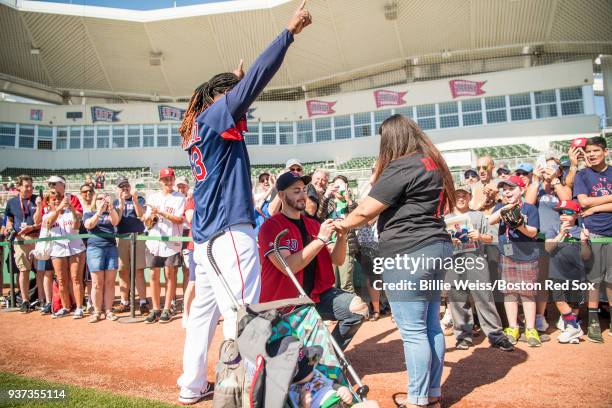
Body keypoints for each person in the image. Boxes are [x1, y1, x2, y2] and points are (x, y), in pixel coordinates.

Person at [177, 3, 312, 402]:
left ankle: (192, 385)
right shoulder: (217, 116)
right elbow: (256, 78)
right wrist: (289, 31)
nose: (241, 101)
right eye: (231, 94)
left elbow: (233, 95)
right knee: (243, 312)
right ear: (219, 98)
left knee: (203, 315)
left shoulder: (198, 126)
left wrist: (229, 85)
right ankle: (241, 390)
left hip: (205, 241)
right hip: (229, 234)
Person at [335, 114, 456, 408]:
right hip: (436, 246)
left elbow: (366, 211)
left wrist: (342, 225)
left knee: (414, 332)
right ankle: (431, 394)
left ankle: (417, 400)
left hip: (409, 251)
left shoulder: (403, 164)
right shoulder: (432, 162)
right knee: (431, 327)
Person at [258, 172, 367, 349]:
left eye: (303, 190)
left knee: (357, 309)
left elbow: (338, 261)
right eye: (295, 191)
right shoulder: (271, 226)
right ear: (281, 195)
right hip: (284, 304)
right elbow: (289, 267)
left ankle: (328, 357)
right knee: (286, 364)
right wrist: (321, 240)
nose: (302, 195)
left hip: (314, 297)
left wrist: (341, 237)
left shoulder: (313, 224)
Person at [445, 184, 514, 352]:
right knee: (458, 300)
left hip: (476, 260)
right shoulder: (445, 218)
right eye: (458, 195)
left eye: (464, 195)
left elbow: (491, 237)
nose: (461, 198)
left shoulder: (479, 216)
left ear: (469, 197)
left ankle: (496, 335)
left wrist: (479, 236)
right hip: (454, 262)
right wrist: (449, 241)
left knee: (484, 298)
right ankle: (463, 337)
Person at [489, 175, 541, 347]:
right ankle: (512, 327)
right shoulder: (500, 206)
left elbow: (533, 232)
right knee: (509, 293)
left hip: (527, 256)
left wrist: (520, 226)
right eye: (505, 189)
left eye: (512, 188)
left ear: (522, 190)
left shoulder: (530, 208)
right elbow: (491, 220)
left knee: (527, 293)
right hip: (507, 255)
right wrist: (506, 209)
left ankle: (531, 329)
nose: (507, 191)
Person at [525, 156, 572, 333]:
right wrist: (536, 181)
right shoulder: (536, 189)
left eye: (553, 166)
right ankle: (539, 317)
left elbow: (568, 200)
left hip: (562, 237)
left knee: (562, 279)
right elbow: (528, 204)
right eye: (546, 166)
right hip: (541, 240)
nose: (549, 169)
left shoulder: (562, 187)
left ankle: (568, 317)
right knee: (542, 281)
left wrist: (555, 181)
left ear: (559, 171)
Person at [267, 336, 380, 408]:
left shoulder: (315, 372)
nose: (313, 366)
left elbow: (330, 384)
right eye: (308, 367)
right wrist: (304, 405)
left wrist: (342, 389)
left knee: (372, 405)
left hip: (342, 402)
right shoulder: (289, 391)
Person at [573, 136, 612, 342]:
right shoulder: (583, 175)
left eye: (596, 151)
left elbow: (590, 204)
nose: (591, 154)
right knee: (594, 279)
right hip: (593, 231)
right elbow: (583, 201)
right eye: (588, 152)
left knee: (611, 279)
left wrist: (596, 206)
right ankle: (594, 320)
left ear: (605, 152)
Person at [543, 200, 590, 344]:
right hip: (557, 272)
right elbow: (548, 249)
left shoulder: (581, 231)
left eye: (567, 213)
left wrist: (583, 242)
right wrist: (561, 233)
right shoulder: (554, 228)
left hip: (576, 273)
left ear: (576, 214)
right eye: (561, 213)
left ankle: (571, 330)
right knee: (559, 299)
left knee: (574, 304)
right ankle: (574, 327)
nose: (563, 216)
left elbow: (586, 256)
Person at [143, 168, 185, 324]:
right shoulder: (153, 197)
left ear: (173, 180)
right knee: (153, 275)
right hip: (154, 241)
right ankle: (155, 309)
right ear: (160, 181)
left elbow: (179, 219)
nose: (168, 182)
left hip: (171, 243)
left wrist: (161, 212)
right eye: (165, 179)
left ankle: (167, 308)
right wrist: (150, 217)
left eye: (170, 179)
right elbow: (147, 223)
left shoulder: (179, 197)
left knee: (170, 275)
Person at [42, 190, 86, 319]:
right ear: (49, 202)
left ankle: (79, 308)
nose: (57, 201)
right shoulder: (47, 216)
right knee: (61, 280)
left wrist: (71, 208)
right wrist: (58, 209)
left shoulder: (70, 213)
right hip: (57, 250)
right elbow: (49, 224)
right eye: (53, 199)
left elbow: (77, 225)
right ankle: (66, 307)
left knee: (76, 279)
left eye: (59, 198)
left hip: (76, 249)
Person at [3, 175, 41, 313]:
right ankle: (25, 300)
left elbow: (42, 220)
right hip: (21, 240)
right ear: (18, 187)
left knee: (41, 271)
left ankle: (42, 300)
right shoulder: (12, 202)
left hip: (38, 239)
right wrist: (9, 228)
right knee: (23, 271)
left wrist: (32, 227)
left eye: (31, 186)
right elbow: (10, 220)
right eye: (26, 186)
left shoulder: (37, 199)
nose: (30, 188)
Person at [113, 176, 148, 315]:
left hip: (137, 237)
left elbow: (141, 216)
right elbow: (117, 221)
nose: (125, 188)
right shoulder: (116, 202)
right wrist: (121, 204)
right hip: (121, 237)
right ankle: (124, 302)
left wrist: (134, 201)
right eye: (122, 186)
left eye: (126, 185)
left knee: (139, 270)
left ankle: (143, 302)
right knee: (123, 271)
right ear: (118, 189)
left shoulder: (139, 199)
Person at [83, 193, 120, 322]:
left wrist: (111, 208)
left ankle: (109, 310)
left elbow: (115, 222)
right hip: (95, 249)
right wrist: (99, 211)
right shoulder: (89, 213)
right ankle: (97, 311)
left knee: (110, 282)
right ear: (95, 201)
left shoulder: (110, 213)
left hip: (111, 248)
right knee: (97, 283)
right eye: (99, 198)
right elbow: (89, 225)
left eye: (105, 198)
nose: (102, 200)